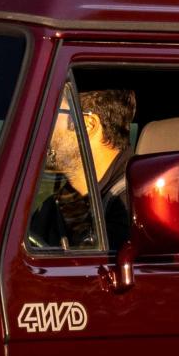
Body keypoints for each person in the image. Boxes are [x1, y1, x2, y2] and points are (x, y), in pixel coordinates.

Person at [29, 84, 136, 250]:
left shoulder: (134, 206)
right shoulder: (54, 207)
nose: (37, 128)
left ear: (87, 125)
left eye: (49, 114)